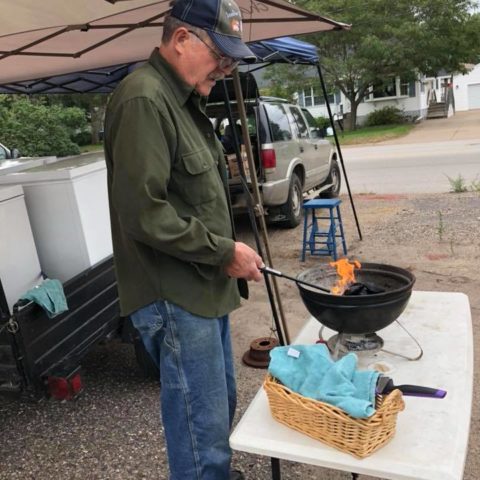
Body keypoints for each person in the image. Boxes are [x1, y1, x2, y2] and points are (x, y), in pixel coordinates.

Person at [103, 0, 263, 478]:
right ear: (181, 40)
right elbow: (143, 212)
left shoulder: (184, 100)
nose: (227, 68)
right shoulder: (144, 99)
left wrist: (227, 254)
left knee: (218, 407)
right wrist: (223, 250)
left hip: (204, 288)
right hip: (174, 294)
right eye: (222, 55)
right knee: (199, 422)